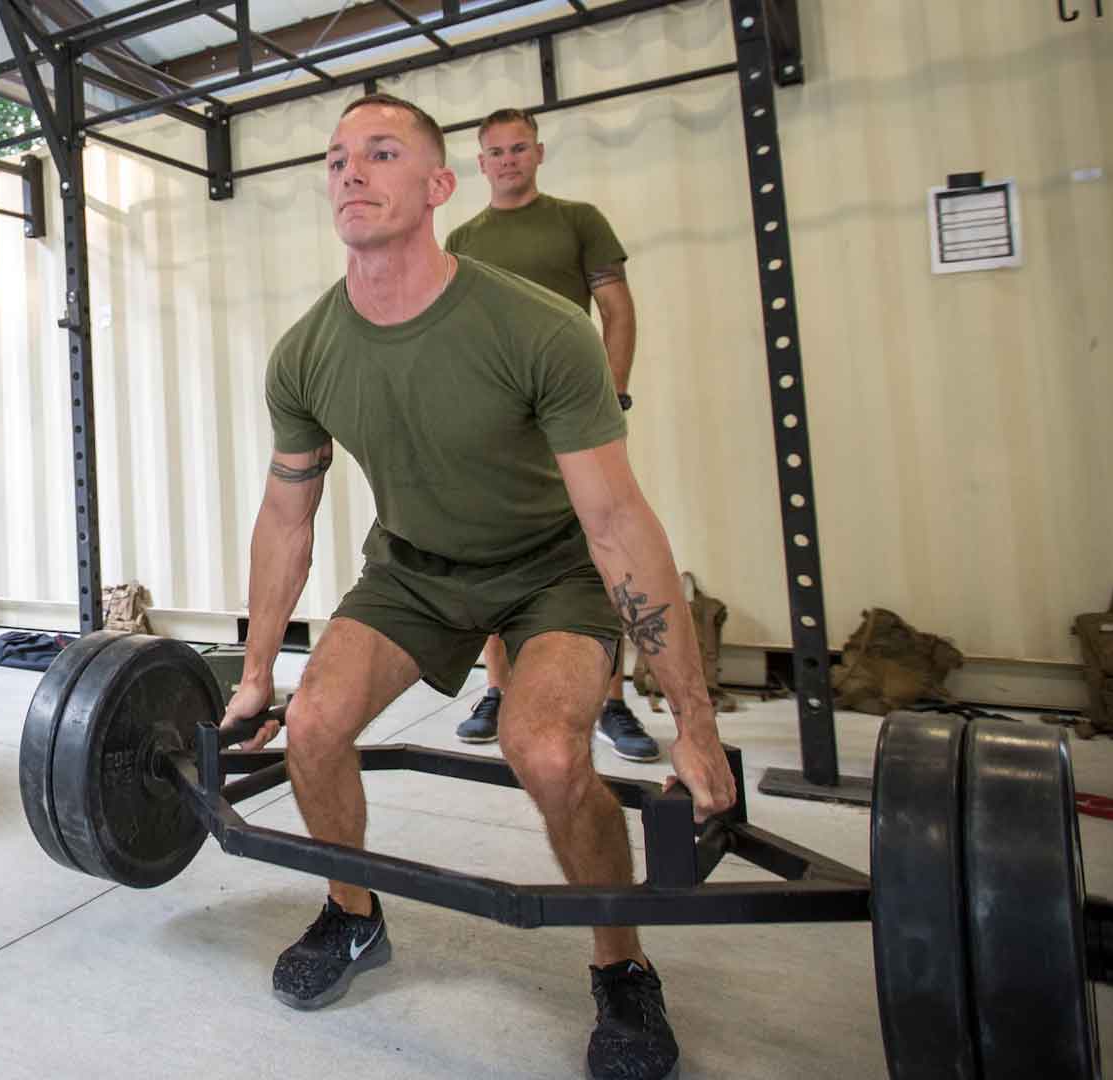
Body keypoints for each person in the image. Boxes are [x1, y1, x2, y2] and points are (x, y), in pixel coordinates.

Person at [218, 94, 736, 1080]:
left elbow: (618, 523)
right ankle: (354, 915)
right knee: (315, 726)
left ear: (438, 187)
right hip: (412, 571)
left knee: (541, 748)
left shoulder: (538, 329)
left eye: (380, 154)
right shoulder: (307, 352)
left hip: (549, 572)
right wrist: (254, 675)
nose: (351, 173)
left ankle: (620, 967)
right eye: (335, 160)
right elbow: (286, 517)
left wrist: (695, 722)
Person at [444, 107, 653, 761]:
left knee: (604, 550)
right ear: (480, 164)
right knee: (490, 553)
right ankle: (499, 691)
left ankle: (611, 703)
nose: (507, 160)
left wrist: (610, 396)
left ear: (537, 153)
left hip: (572, 415)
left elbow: (617, 309)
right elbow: (453, 332)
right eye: (495, 152)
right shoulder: (463, 238)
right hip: (496, 423)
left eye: (518, 149)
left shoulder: (578, 221)